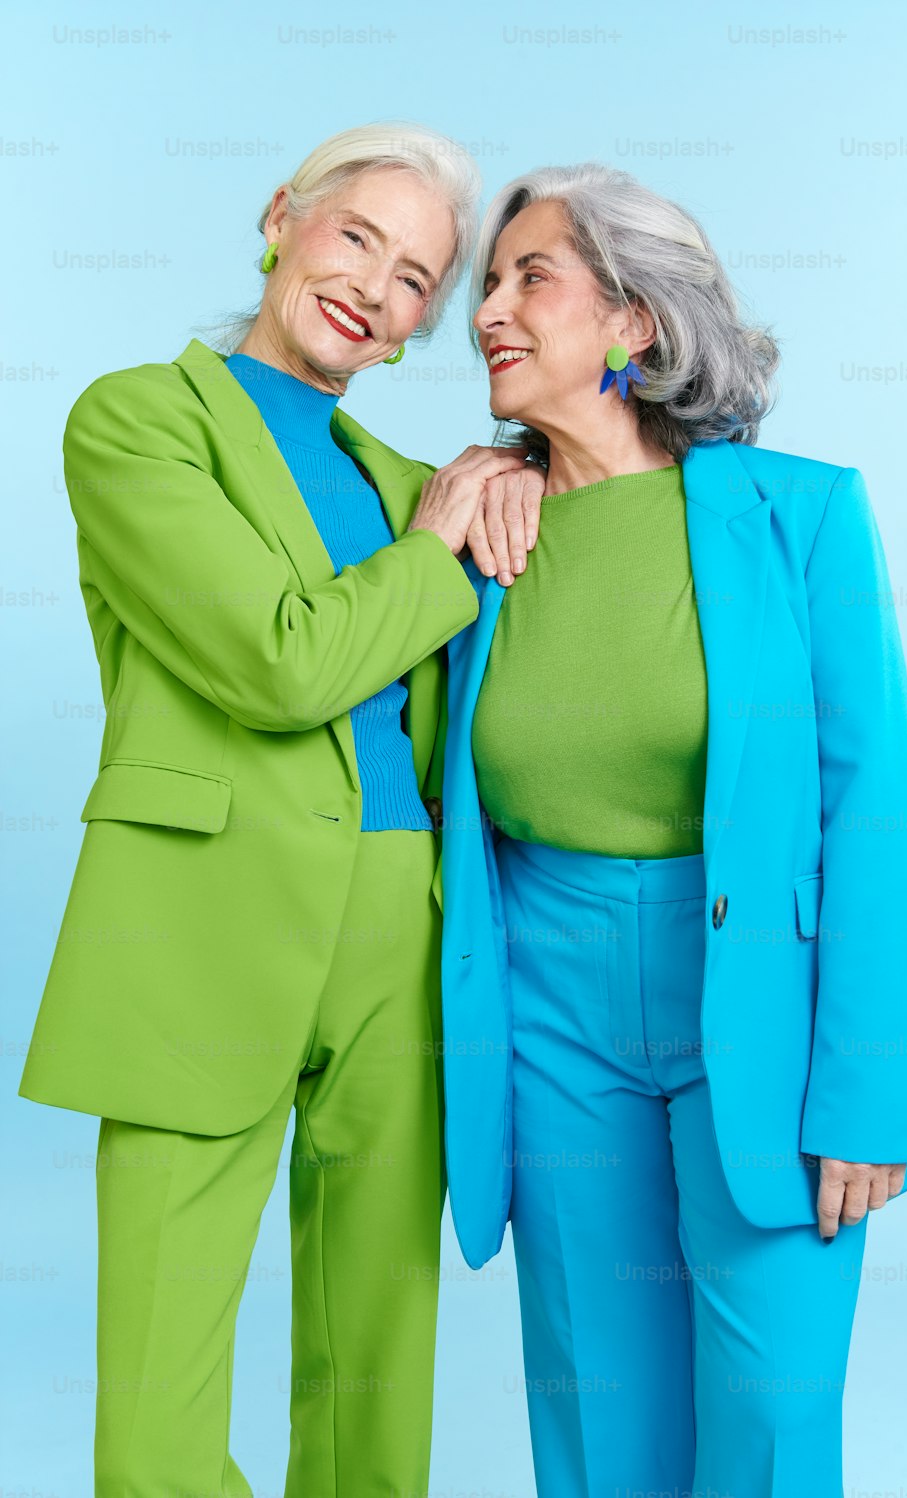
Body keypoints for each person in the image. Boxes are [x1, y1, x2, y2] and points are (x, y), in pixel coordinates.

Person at [18, 121, 543, 1497]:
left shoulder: (395, 478)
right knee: (161, 1382)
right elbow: (278, 660)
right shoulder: (135, 419)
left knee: (377, 1348)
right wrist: (441, 544)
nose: (377, 286)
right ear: (281, 218)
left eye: (419, 277)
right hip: (200, 924)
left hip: (399, 928)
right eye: (358, 236)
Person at [439, 162, 907, 1498]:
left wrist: (872, 1084)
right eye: (489, 281)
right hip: (551, 1012)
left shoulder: (802, 516)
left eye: (530, 277)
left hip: (766, 1013)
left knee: (769, 1435)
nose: (487, 307)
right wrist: (470, 480)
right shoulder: (476, 527)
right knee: (600, 1431)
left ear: (633, 325)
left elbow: (877, 809)